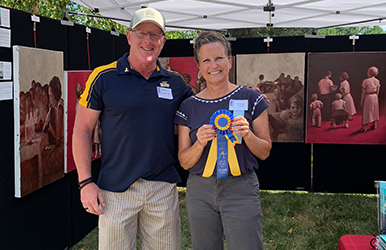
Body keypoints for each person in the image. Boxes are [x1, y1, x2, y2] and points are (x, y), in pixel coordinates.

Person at [72, 7, 193, 250]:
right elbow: (82, 130)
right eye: (142, 33)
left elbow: (204, 108)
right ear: (129, 36)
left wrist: (239, 95)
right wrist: (85, 183)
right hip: (114, 191)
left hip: (162, 188)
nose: (148, 40)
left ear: (163, 41)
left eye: (155, 35)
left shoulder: (176, 83)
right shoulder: (103, 77)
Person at [174, 31, 272, 250]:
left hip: (241, 188)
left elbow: (265, 152)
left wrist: (248, 134)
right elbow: (184, 162)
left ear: (230, 60)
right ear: (199, 66)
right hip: (200, 191)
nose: (213, 65)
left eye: (218, 58)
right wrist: (199, 143)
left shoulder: (252, 99)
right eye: (206, 60)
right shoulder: (188, 107)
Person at [359, 66, 380, 132]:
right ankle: (374, 124)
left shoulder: (365, 81)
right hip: (375, 97)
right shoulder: (377, 81)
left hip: (369, 97)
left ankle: (364, 127)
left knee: (367, 111)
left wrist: (362, 100)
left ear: (370, 73)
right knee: (374, 110)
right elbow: (377, 91)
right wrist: (375, 96)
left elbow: (363, 93)